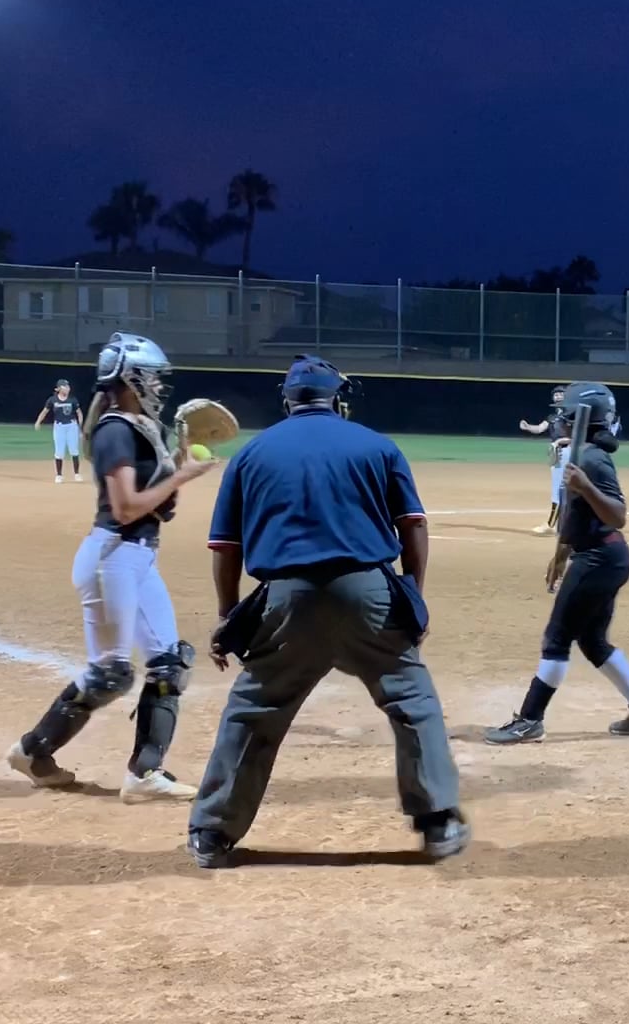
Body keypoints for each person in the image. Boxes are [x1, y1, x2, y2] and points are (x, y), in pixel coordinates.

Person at [189, 354, 468, 868]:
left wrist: (229, 615)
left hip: (286, 599)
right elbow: (413, 525)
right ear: (336, 399)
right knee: (412, 700)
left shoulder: (252, 454)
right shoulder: (376, 445)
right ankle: (438, 820)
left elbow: (225, 546)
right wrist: (414, 594)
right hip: (368, 595)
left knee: (254, 709)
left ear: (287, 401)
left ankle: (212, 830)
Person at [7, 333, 216, 802]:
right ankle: (32, 752)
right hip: (113, 557)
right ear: (131, 379)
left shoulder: (139, 427)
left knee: (169, 663)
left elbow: (154, 500)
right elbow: (125, 508)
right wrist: (183, 475)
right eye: (153, 377)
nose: (159, 386)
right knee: (111, 674)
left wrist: (178, 462)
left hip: (136, 556)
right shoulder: (115, 431)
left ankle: (145, 774)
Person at [486, 381, 629, 745]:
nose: (558, 421)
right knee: (592, 640)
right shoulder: (580, 454)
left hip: (600, 558)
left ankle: (530, 719)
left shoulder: (592, 460)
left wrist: (586, 486)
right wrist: (559, 556)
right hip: (602, 556)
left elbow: (618, 515)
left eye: (562, 416)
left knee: (557, 638)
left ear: (575, 418)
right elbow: (574, 516)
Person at [518, 385, 570, 533]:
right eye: (556, 394)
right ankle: (563, 524)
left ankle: (551, 525)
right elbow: (540, 428)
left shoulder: (571, 415)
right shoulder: (552, 417)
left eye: (561, 394)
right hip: (556, 452)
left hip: (566, 451)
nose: (558, 396)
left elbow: (577, 436)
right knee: (562, 488)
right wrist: (528, 427)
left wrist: (559, 442)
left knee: (558, 489)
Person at [35, 379, 85, 483]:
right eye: (65, 386)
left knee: (74, 450)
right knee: (59, 451)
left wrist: (80, 427)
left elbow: (79, 413)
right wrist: (38, 422)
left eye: (68, 386)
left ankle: (77, 474)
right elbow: (44, 411)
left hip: (72, 426)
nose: (67, 388)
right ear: (58, 389)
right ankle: (59, 475)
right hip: (59, 427)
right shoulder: (52, 400)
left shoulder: (72, 400)